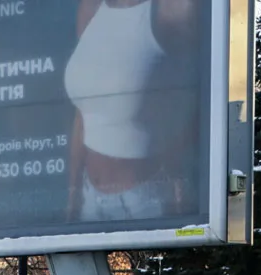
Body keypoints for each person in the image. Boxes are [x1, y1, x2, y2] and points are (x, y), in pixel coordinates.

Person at [64, 0, 201, 223]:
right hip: (90, 197)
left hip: (143, 200)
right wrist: (73, 192)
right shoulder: (90, 8)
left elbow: (184, 104)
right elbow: (83, 110)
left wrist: (179, 185)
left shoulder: (168, 10)